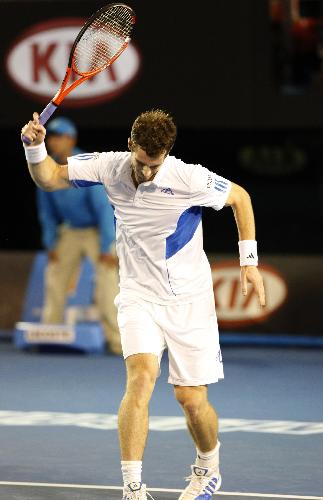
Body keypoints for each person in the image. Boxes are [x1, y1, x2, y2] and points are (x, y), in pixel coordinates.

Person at [21, 110, 266, 500]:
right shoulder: (108, 165)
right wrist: (34, 149)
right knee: (140, 380)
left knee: (190, 400)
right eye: (142, 162)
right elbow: (50, 178)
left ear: (167, 153)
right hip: (137, 295)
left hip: (190, 300)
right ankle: (132, 487)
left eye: (156, 164)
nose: (148, 172)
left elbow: (241, 198)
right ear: (131, 145)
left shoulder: (189, 176)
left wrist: (249, 262)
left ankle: (208, 466)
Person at [36, 116, 122, 355]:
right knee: (54, 277)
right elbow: (47, 212)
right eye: (51, 137)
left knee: (107, 282)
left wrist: (107, 247)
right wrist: (50, 242)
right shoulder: (46, 167)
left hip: (96, 231)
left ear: (71, 139)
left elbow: (104, 209)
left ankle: (117, 342)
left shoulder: (85, 165)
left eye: (59, 137)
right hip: (71, 230)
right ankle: (48, 335)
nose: (53, 142)